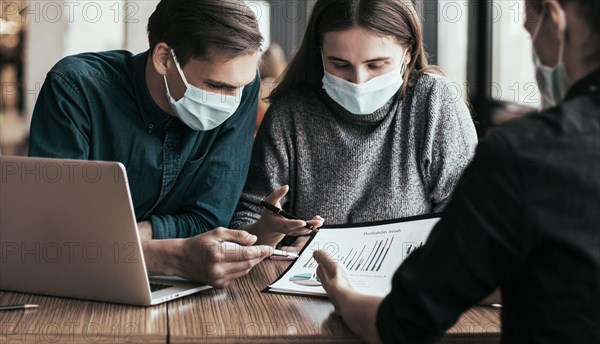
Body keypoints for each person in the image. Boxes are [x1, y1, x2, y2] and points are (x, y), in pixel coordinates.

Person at [313, 0, 600, 343]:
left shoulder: (525, 154)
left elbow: (401, 325)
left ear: (554, 19)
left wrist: (342, 292)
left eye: (528, 31)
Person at [27, 0, 273, 288]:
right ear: (165, 58)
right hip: (74, 288)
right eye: (216, 87)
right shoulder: (76, 88)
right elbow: (55, 236)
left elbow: (210, 219)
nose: (231, 101)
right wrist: (171, 257)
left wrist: (120, 241)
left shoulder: (241, 87)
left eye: (239, 87)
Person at [231, 0, 478, 252]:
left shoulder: (434, 101)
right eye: (340, 64)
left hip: (405, 282)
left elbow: (469, 218)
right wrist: (268, 231)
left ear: (407, 52)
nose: (358, 81)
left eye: (375, 65)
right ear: (320, 53)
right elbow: (245, 222)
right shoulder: (290, 112)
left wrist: (346, 249)